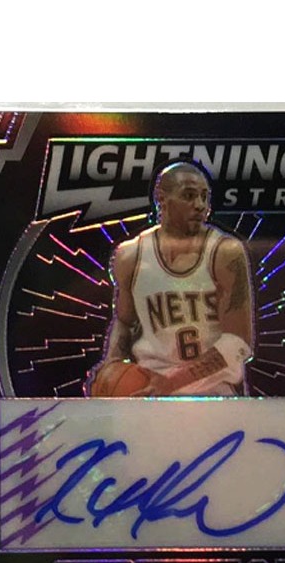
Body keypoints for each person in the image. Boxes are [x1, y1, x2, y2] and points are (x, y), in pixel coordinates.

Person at [88, 160, 254, 397]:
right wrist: (111, 365)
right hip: (150, 389)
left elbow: (238, 342)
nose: (200, 205)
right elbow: (124, 323)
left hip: (214, 391)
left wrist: (171, 383)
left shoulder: (226, 252)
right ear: (162, 198)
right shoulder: (130, 255)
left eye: (204, 197)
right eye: (189, 195)